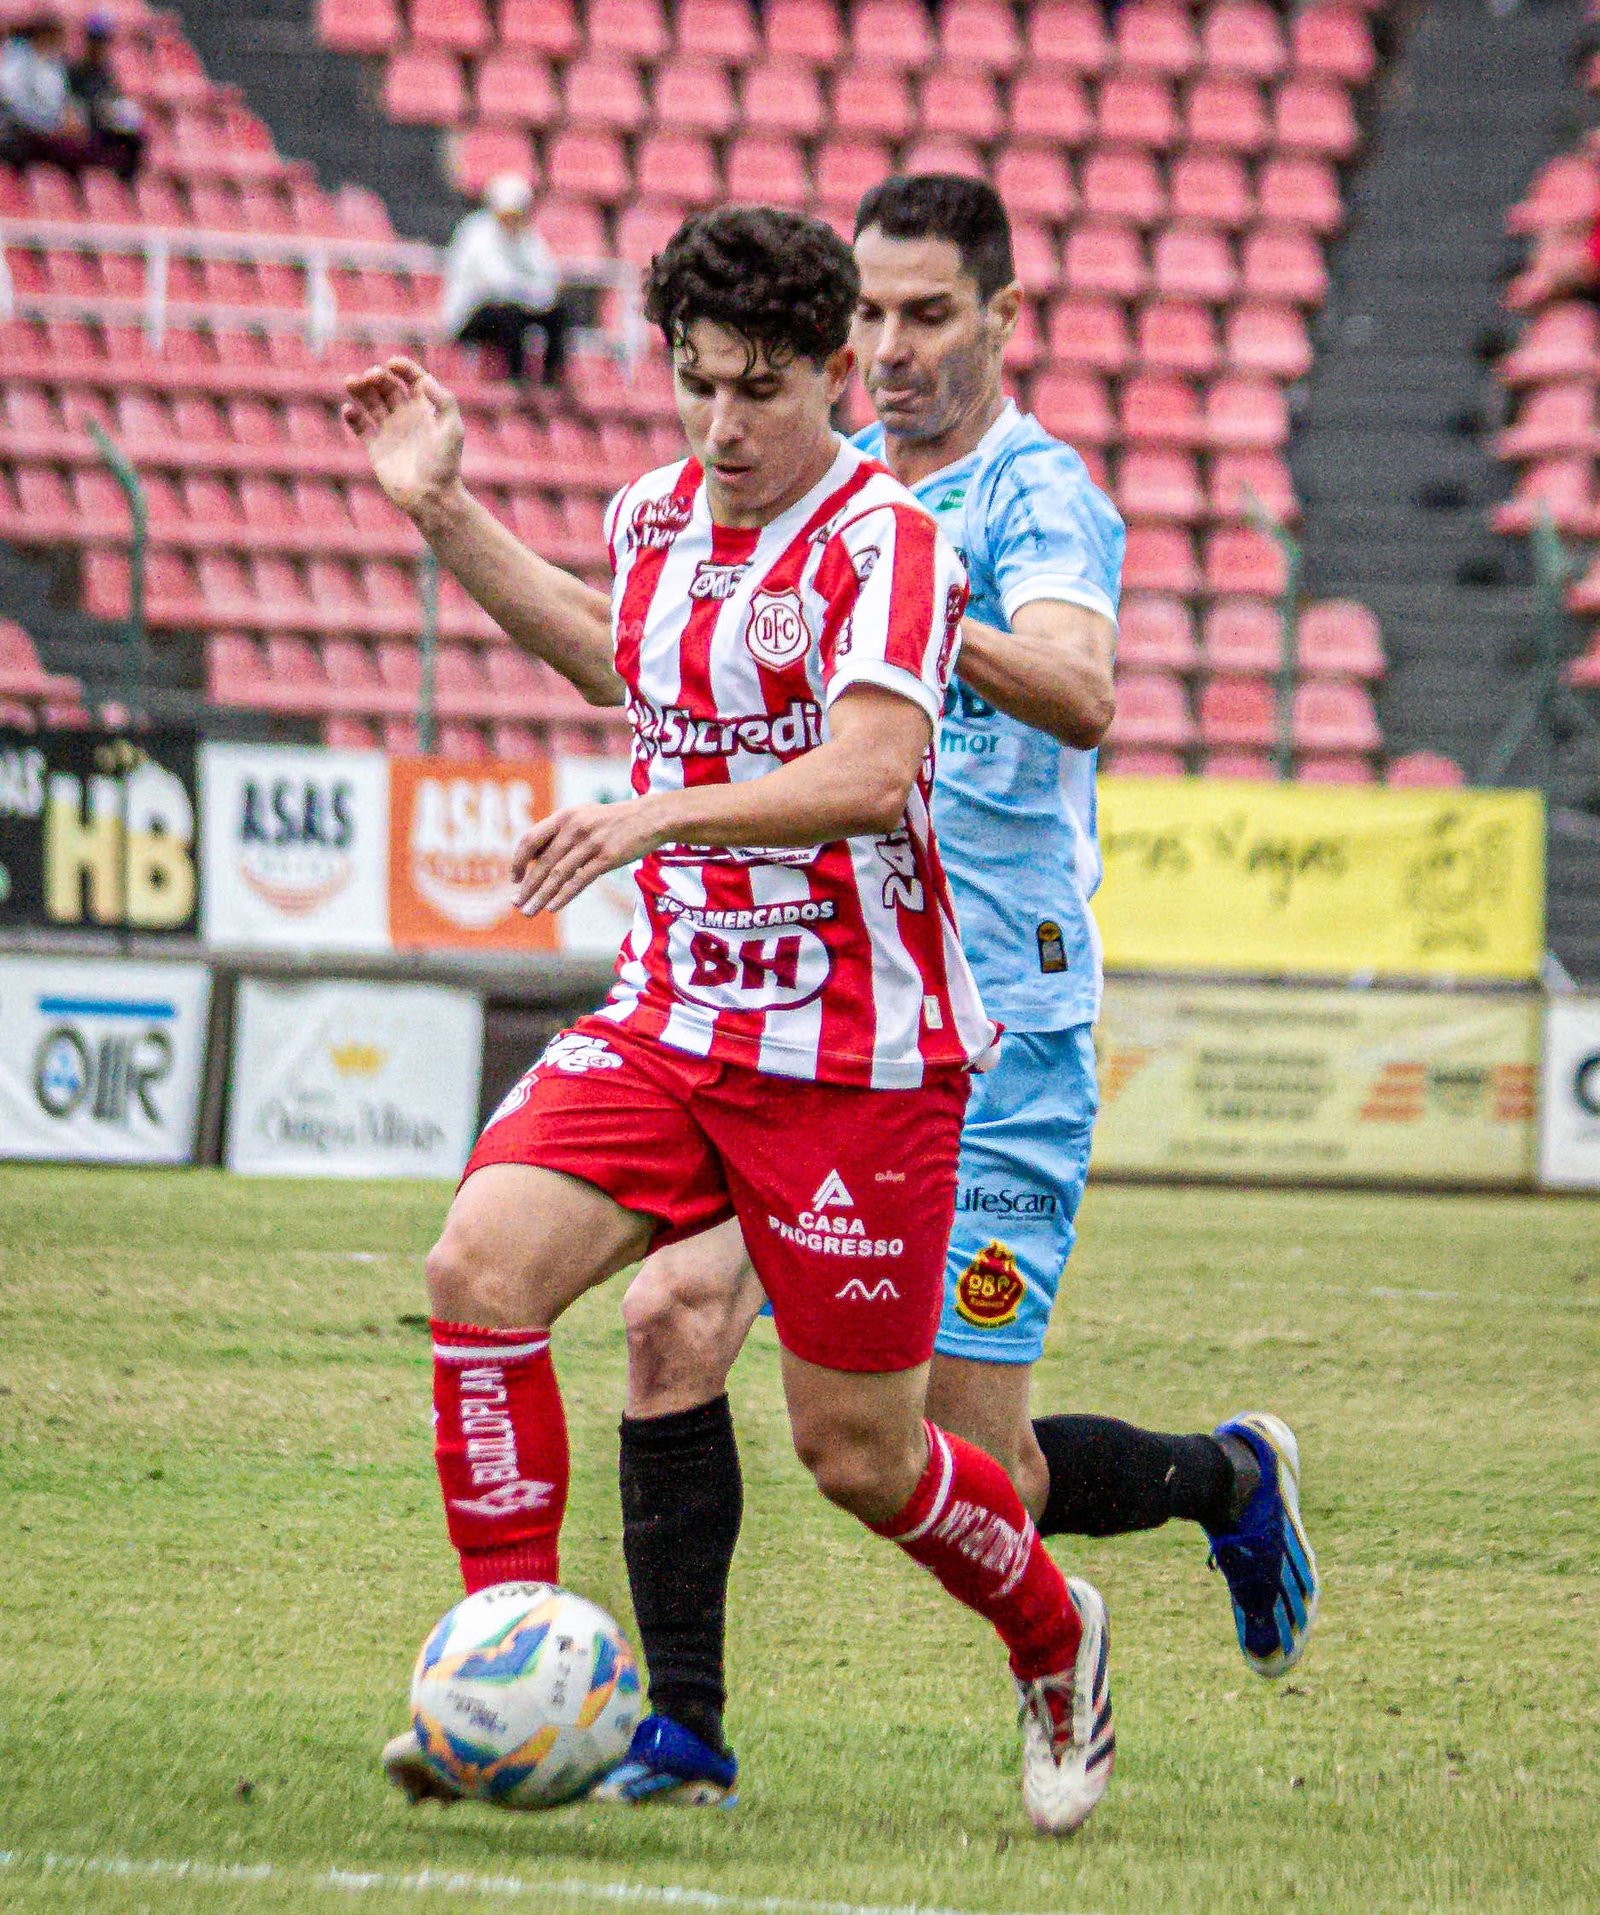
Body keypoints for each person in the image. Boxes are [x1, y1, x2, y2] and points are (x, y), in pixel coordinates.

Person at [346, 205, 1116, 1836]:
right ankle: (503, 1662)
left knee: (864, 1458)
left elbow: (868, 773)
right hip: (676, 1017)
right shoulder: (653, 515)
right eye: (696, 386)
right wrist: (445, 514)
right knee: (478, 1271)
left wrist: (653, 821)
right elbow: (614, 669)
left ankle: (1057, 1635)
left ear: (833, 376)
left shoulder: (894, 540)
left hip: (857, 1053)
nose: (720, 427)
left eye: (757, 391)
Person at [591, 175, 1321, 1806]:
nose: (897, 347)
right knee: (673, 1314)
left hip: (1006, 1023)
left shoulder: (1024, 500)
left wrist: (912, 598)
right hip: (825, 1016)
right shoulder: (808, 489)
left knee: (977, 1469)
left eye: (932, 315)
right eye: (874, 317)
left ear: (1000, 319)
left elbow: (1080, 689)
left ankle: (1226, 1484)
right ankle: (683, 1733)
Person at [440, 172, 570, 389]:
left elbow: (549, 276)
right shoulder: (476, 233)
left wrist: (540, 299)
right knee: (509, 315)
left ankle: (550, 379)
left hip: (517, 306)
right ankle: (515, 379)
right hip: (471, 314)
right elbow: (499, 284)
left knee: (557, 314)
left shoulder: (527, 237)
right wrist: (535, 296)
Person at [0, 15, 90, 173]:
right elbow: (13, 101)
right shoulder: (18, 58)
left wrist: (69, 118)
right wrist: (51, 125)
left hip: (50, 132)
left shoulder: (54, 64)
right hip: (23, 131)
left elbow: (62, 100)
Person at [67, 13, 145, 182]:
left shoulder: (105, 73)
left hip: (104, 128)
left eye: (103, 41)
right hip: (84, 129)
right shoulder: (75, 71)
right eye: (97, 41)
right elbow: (71, 103)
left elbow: (113, 100)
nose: (100, 47)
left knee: (135, 140)